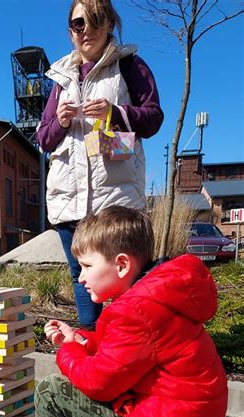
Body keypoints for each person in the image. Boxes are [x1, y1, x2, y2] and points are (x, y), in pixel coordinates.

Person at [30, 207, 227, 417]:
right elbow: (124, 356)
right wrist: (79, 340)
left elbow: (98, 382)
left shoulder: (134, 312)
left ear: (121, 265)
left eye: (86, 266)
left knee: (53, 393)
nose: (80, 277)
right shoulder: (157, 296)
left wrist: (68, 351)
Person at [37, 0, 163, 329]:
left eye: (95, 20)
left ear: (109, 23)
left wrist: (115, 113)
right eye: (79, 23)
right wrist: (60, 122)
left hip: (117, 201)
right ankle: (91, 353)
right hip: (70, 199)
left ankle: (134, 350)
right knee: (82, 277)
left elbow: (153, 119)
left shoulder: (129, 66)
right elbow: (43, 139)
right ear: (70, 31)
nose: (87, 30)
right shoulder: (61, 79)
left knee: (129, 278)